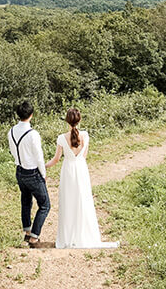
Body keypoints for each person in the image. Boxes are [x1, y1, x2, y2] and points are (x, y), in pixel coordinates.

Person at [44, 107, 119, 249]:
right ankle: (83, 235)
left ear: (67, 120)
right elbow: (84, 156)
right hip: (81, 169)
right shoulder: (85, 135)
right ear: (79, 120)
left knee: (68, 202)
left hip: (68, 171)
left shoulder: (61, 138)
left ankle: (69, 237)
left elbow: (55, 160)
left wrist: (43, 166)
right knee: (83, 201)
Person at [8, 100, 50, 248]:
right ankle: (34, 237)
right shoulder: (33, 134)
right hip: (32, 172)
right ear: (31, 115)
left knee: (26, 201)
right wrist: (43, 174)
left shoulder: (11, 131)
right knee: (45, 205)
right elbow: (39, 157)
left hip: (19, 171)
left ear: (18, 115)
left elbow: (13, 151)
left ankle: (27, 232)